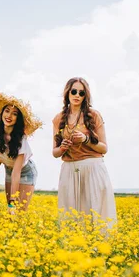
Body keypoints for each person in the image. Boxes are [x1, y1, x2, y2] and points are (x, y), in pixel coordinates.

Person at [52, 77, 117, 228]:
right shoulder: (58, 118)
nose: (77, 96)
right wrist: (62, 147)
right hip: (69, 169)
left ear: (85, 96)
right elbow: (55, 153)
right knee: (71, 215)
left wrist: (86, 140)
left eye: (81, 93)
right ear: (67, 93)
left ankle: (98, 248)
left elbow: (104, 148)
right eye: (74, 91)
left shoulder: (94, 115)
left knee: (95, 213)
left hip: (93, 168)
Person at [0, 92, 42, 213]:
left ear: (18, 119)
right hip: (8, 170)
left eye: (14, 114)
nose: (9, 116)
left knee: (18, 211)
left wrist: (12, 202)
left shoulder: (21, 139)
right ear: (2, 112)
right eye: (7, 111)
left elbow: (17, 171)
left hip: (25, 172)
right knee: (10, 215)